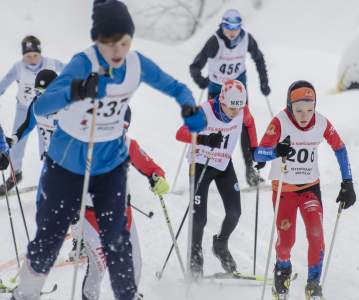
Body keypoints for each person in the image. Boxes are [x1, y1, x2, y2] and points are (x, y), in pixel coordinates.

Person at [11, 1, 205, 300]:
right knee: (48, 242)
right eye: (108, 43)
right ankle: (23, 294)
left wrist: (189, 106)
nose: (117, 51)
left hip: (109, 165)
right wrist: (76, 91)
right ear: (96, 40)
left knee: (118, 242)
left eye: (124, 43)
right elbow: (42, 105)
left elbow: (176, 86)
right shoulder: (82, 63)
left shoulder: (137, 64)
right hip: (66, 165)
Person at [253, 81, 356, 300]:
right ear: (289, 106)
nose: (304, 115)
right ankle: (282, 271)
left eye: (310, 109)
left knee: (316, 235)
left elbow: (340, 147)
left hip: (310, 188)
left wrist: (348, 182)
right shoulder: (280, 122)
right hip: (285, 190)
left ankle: (313, 284)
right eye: (299, 110)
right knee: (286, 241)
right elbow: (258, 154)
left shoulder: (321, 122)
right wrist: (275, 151)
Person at [176, 79, 258, 278]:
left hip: (222, 164)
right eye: (231, 108)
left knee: (235, 213)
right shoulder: (204, 112)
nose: (235, 113)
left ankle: (220, 244)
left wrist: (254, 149)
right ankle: (195, 259)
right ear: (221, 101)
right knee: (199, 219)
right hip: (200, 164)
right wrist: (204, 138)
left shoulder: (242, 111)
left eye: (239, 108)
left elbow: (250, 123)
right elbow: (180, 134)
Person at [79, 133, 169, 300]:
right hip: (91, 216)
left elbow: (150, 166)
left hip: (121, 214)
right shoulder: (81, 143)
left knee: (134, 263)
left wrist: (157, 177)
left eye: (123, 126)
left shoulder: (127, 144)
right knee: (98, 269)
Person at [189, 8, 270, 187]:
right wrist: (201, 80)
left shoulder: (247, 39)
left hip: (239, 90)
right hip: (217, 91)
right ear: (222, 26)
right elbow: (195, 66)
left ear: (240, 27)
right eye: (228, 27)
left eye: (236, 27)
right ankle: (208, 170)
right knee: (213, 130)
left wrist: (264, 82)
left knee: (243, 127)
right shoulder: (214, 42)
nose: (232, 32)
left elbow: (259, 59)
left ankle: (250, 170)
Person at [0, 35, 64, 194]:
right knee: (16, 144)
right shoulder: (18, 67)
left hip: (50, 110)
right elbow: (4, 82)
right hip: (25, 107)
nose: (32, 59)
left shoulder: (51, 63)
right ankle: (15, 175)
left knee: (46, 143)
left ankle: (51, 172)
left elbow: (71, 70)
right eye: (28, 56)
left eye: (35, 55)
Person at [8, 69, 59, 161]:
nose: (41, 96)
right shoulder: (36, 106)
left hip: (69, 161)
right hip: (51, 158)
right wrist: (14, 139)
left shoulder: (67, 107)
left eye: (45, 92)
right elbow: (27, 125)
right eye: (38, 91)